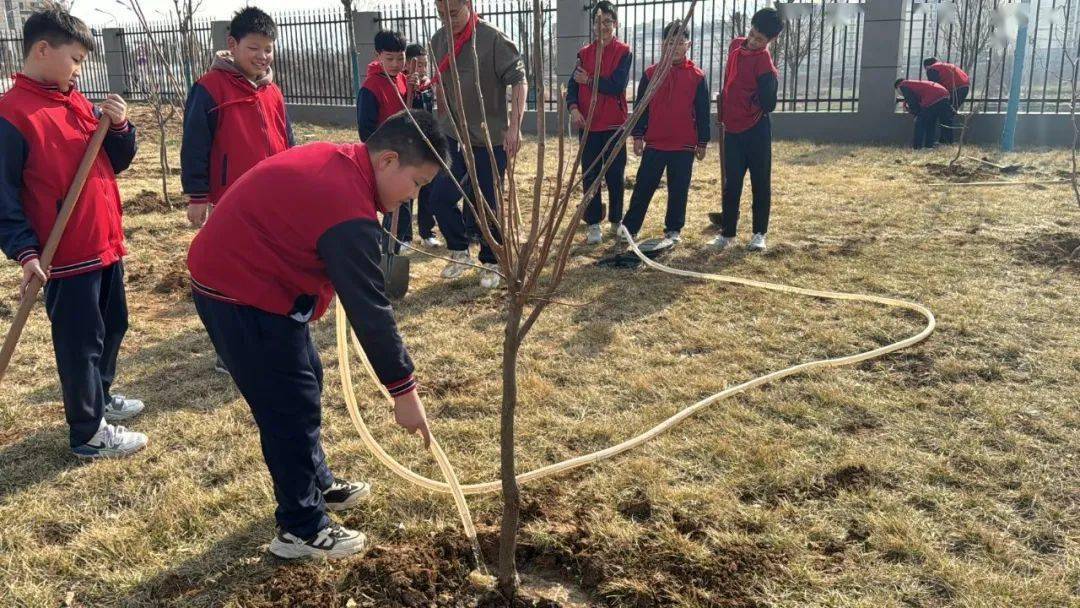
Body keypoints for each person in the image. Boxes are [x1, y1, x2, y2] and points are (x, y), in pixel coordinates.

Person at [187, 110, 446, 559]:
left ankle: (315, 481)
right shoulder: (346, 206)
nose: (413, 197)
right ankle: (300, 529)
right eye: (418, 183)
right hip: (239, 292)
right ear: (387, 161)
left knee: (306, 381)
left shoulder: (346, 165)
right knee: (287, 408)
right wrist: (404, 392)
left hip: (261, 281)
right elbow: (371, 310)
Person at [0, 6, 145, 458]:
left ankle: (99, 400)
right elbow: (1, 195)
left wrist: (120, 126)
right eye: (76, 58)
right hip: (63, 252)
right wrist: (26, 252)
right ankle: (87, 432)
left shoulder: (74, 101)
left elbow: (113, 163)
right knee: (80, 342)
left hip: (104, 243)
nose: (80, 69)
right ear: (42, 50)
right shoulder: (12, 115)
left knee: (113, 326)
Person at [181, 6, 294, 374]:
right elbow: (195, 144)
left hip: (276, 198)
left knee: (271, 267)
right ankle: (228, 348)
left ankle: (267, 332)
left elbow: (286, 139)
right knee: (234, 270)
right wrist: (197, 195)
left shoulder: (273, 90)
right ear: (232, 45)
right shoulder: (209, 89)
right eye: (254, 48)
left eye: (268, 49)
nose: (263, 56)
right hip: (232, 200)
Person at [428, 0, 527, 289]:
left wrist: (515, 127)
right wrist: (442, 118)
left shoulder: (492, 38)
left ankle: (492, 260)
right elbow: (441, 84)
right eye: (442, 14)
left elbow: (519, 81)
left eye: (454, 13)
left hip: (489, 137)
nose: (449, 20)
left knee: (487, 202)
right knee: (440, 197)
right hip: (453, 135)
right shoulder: (438, 40)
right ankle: (460, 251)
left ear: (468, 5)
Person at [620, 20, 709, 244]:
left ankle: (673, 229)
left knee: (679, 189)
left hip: (684, 144)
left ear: (688, 45)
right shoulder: (651, 74)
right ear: (662, 45)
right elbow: (641, 107)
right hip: (656, 143)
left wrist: (702, 141)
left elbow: (702, 111)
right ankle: (630, 227)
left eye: (680, 42)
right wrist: (638, 136)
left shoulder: (697, 76)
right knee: (644, 185)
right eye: (670, 42)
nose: (675, 47)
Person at [710, 7, 783, 252]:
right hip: (732, 128)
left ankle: (759, 233)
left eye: (760, 40)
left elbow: (769, 104)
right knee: (732, 183)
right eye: (752, 34)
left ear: (770, 41)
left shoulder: (765, 63)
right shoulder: (735, 46)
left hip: (756, 130)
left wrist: (768, 82)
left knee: (760, 181)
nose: (752, 41)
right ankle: (727, 232)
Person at [567, 0, 632, 245]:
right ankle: (593, 222)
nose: (602, 26)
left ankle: (616, 220)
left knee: (615, 174)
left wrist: (590, 79)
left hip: (614, 125)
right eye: (597, 21)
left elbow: (617, 85)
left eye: (606, 21)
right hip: (588, 126)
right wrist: (573, 108)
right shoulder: (584, 53)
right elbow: (573, 85)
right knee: (590, 175)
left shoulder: (624, 51)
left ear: (614, 23)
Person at [356, 30, 414, 252]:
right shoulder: (371, 87)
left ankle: (398, 242)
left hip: (405, 152)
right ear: (377, 55)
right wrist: (385, 155)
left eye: (400, 57)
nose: (396, 63)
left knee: (406, 199)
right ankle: (385, 246)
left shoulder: (402, 79)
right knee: (392, 202)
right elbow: (366, 130)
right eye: (389, 58)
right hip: (386, 156)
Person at [406, 43, 440, 248]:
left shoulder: (429, 85)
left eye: (425, 65)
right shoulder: (403, 85)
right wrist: (411, 89)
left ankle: (427, 231)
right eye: (418, 65)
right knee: (408, 188)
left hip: (428, 141)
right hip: (410, 143)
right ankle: (405, 235)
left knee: (428, 187)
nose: (422, 69)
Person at [923, 57, 970, 144]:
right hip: (964, 86)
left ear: (926, 66)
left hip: (956, 89)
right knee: (947, 113)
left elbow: (934, 86)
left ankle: (946, 141)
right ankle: (946, 140)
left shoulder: (932, 69)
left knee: (946, 114)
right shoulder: (944, 66)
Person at [895, 78, 950, 150]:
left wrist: (916, 114)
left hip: (933, 96)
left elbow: (912, 102)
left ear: (898, 86)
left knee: (920, 122)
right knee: (930, 122)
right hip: (944, 94)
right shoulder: (914, 84)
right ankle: (928, 146)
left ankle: (917, 148)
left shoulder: (903, 85)